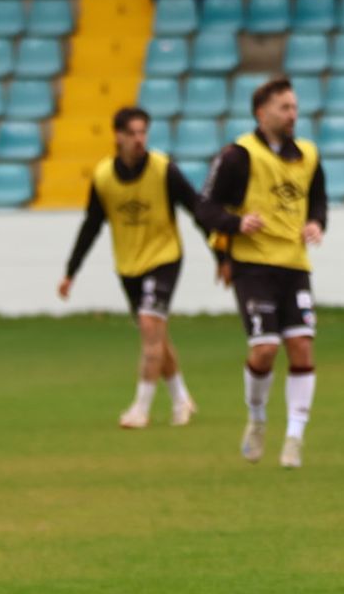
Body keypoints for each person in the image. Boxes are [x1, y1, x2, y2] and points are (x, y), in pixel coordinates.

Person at [58, 106, 256, 429]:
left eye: (143, 132)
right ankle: (181, 399)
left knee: (151, 326)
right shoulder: (103, 177)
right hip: (128, 265)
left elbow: (198, 212)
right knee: (156, 337)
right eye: (132, 133)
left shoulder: (164, 170)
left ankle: (141, 408)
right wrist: (71, 271)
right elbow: (91, 225)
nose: (139, 140)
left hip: (164, 258)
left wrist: (221, 258)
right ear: (118, 136)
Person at [200, 77, 328, 468]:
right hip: (252, 266)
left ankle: (294, 437)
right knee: (265, 349)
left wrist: (317, 224)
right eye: (284, 108)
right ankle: (256, 418)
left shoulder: (307, 154)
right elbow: (205, 208)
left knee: (302, 347)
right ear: (262, 112)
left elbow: (318, 200)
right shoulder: (238, 155)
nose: (293, 115)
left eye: (294, 107)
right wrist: (235, 224)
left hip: (294, 265)